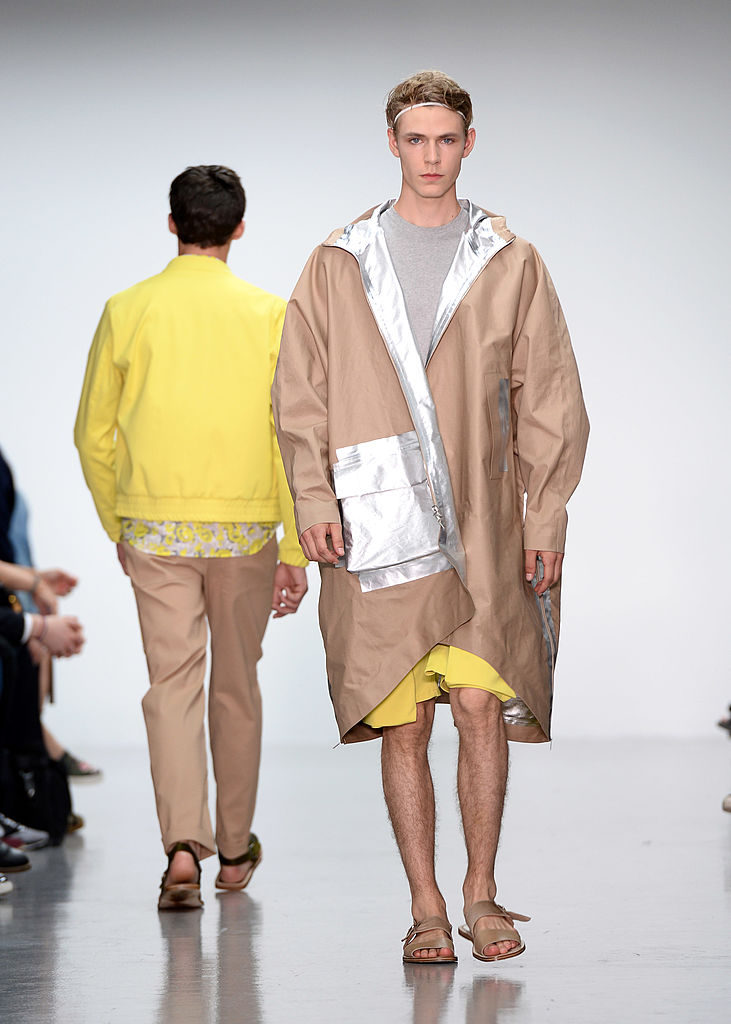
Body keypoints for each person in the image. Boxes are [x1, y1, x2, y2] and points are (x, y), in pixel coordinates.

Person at [273, 71, 589, 963]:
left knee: (481, 704)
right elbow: (299, 389)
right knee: (403, 718)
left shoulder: (509, 258)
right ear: (392, 143)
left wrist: (546, 518)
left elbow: (549, 396)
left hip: (485, 519)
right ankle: (424, 907)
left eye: (445, 139)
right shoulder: (339, 260)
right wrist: (311, 500)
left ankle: (480, 895)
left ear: (468, 143)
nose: (430, 156)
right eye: (415, 139)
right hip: (375, 518)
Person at [74, 165, 309, 910]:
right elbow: (291, 434)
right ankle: (233, 851)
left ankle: (183, 849)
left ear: (172, 224)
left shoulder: (126, 309)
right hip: (246, 527)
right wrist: (295, 547)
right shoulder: (270, 314)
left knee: (171, 686)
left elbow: (92, 435)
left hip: (156, 526)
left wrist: (119, 520)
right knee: (235, 688)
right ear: (238, 228)